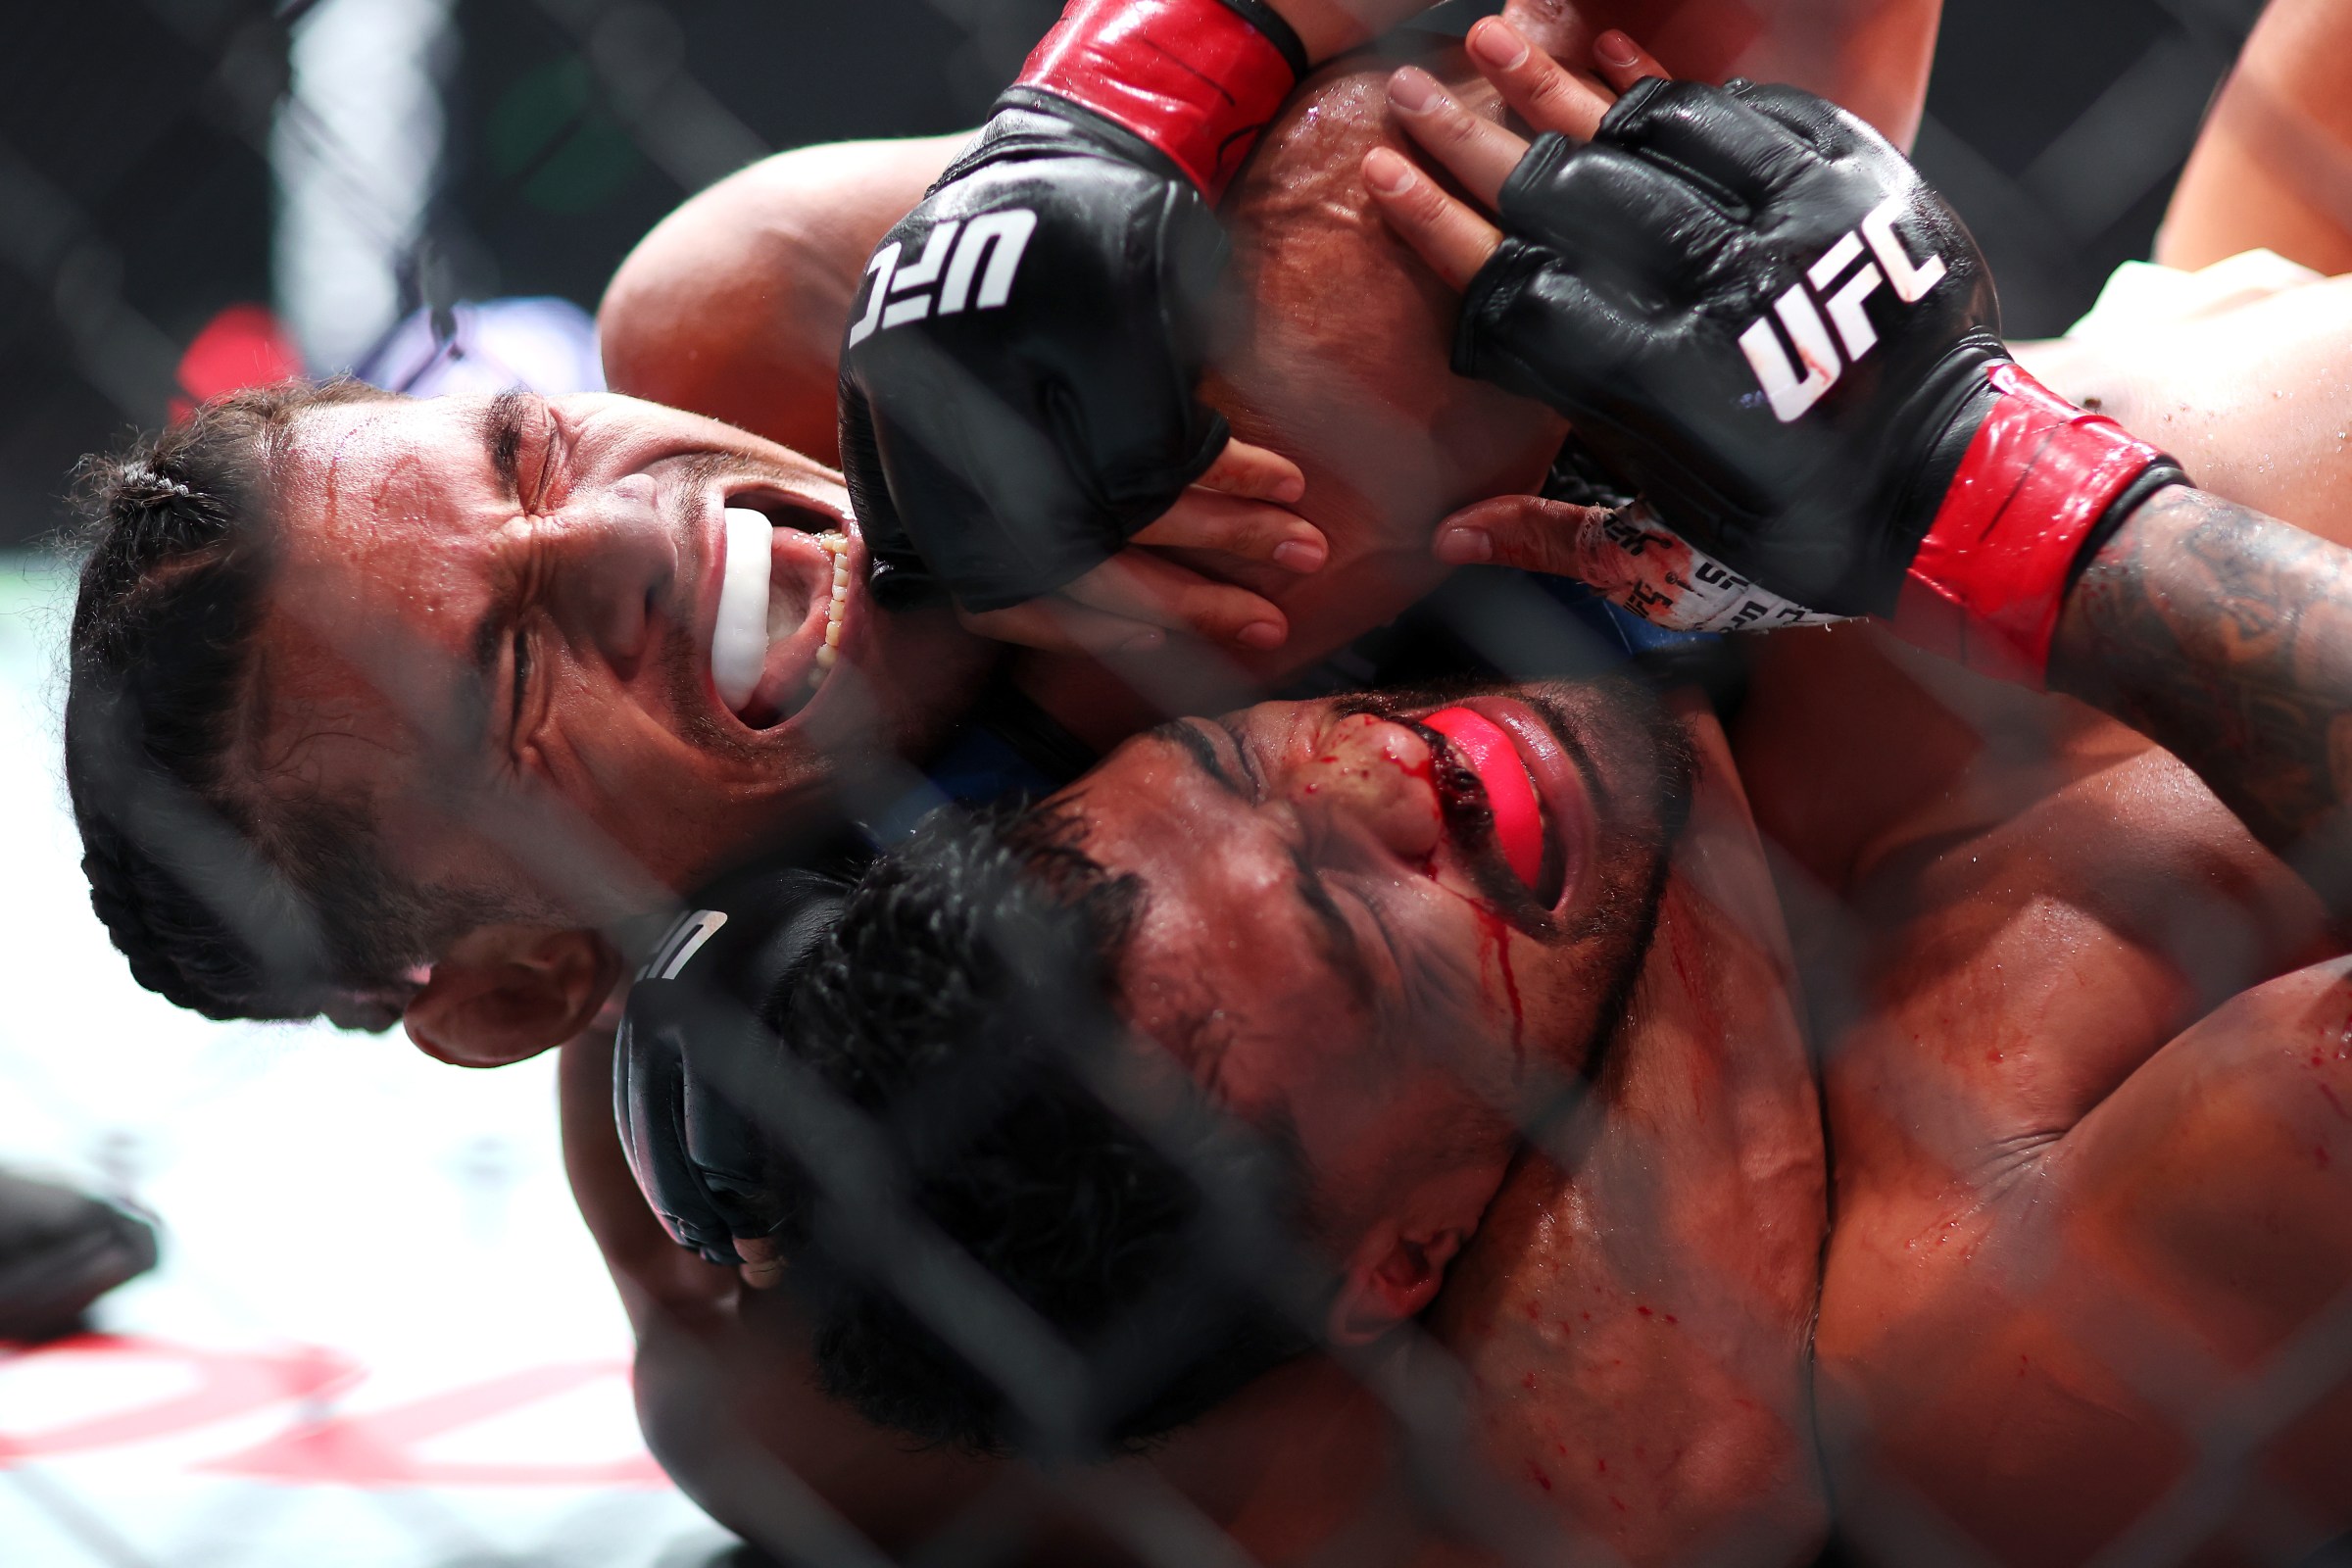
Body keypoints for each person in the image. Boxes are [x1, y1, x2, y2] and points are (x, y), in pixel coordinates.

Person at [687, 25, 2352, 1561]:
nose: (1388, 774)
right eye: (1364, 936)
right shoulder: (1967, 1292)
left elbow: (727, 295)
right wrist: (1990, 497)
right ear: (1392, 1264)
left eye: (1233, 763)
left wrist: (1130, 87)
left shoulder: (1672, 570)